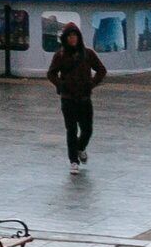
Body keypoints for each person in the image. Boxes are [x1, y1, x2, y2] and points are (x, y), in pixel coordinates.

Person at [46, 23, 109, 166]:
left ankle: (80, 148)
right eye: (69, 36)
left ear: (79, 37)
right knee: (71, 130)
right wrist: (61, 85)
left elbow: (101, 70)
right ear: (65, 38)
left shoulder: (88, 54)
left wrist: (91, 84)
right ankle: (73, 160)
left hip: (84, 98)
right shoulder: (60, 55)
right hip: (68, 99)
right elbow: (51, 73)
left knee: (87, 129)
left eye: (74, 35)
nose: (72, 39)